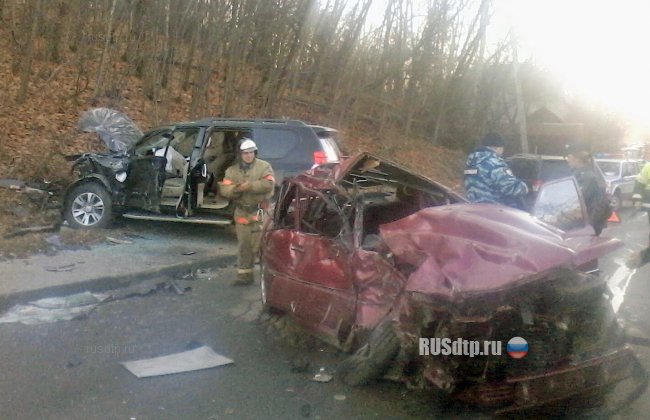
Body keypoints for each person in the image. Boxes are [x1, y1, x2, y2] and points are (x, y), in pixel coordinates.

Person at [219, 138, 275, 286]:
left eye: (251, 152)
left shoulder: (264, 167)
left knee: (262, 247)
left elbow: (268, 184)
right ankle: (245, 276)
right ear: (240, 154)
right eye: (245, 153)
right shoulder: (231, 171)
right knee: (244, 246)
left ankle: (270, 280)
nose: (249, 155)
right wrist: (237, 190)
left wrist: (249, 186)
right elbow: (225, 189)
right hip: (242, 213)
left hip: (260, 213)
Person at [464, 132, 529, 209]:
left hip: (475, 209)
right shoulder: (495, 163)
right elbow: (509, 187)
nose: (502, 151)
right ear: (497, 148)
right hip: (495, 211)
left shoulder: (471, 161)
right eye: (502, 148)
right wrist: (524, 187)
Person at [565, 142, 611, 235]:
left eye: (568, 157)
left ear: (576, 159)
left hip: (588, 224)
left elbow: (578, 199)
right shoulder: (579, 173)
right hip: (584, 221)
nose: (567, 160)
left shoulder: (587, 176)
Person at [629, 161, 650, 267]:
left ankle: (642, 257)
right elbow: (639, 183)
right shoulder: (648, 167)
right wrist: (637, 199)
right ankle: (642, 257)